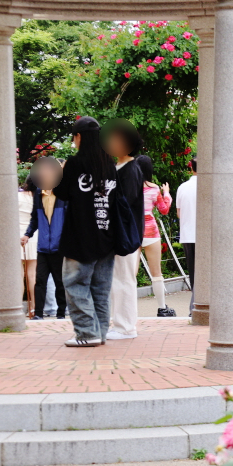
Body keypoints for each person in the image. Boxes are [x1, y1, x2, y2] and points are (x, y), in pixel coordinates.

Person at [53, 116, 118, 347]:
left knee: (75, 285)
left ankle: (86, 333)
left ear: (78, 136)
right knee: (100, 289)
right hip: (106, 235)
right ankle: (99, 333)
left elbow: (61, 193)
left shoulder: (75, 163)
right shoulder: (109, 163)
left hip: (80, 236)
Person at [104, 121, 144, 340]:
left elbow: (124, 204)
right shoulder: (118, 167)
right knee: (117, 279)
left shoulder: (131, 168)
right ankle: (119, 324)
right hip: (119, 232)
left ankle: (126, 327)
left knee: (124, 279)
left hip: (126, 234)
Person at [22, 158, 68, 320]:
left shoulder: (64, 195)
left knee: (59, 282)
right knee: (40, 281)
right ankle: (39, 314)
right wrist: (27, 234)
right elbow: (35, 218)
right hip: (42, 246)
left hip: (59, 246)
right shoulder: (38, 195)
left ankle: (61, 313)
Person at [135, 154, 175, 317]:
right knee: (156, 272)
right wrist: (167, 194)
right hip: (151, 231)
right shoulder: (154, 188)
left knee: (131, 273)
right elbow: (164, 209)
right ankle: (162, 307)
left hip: (133, 231)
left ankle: (131, 310)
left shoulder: (128, 186)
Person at [176, 157, 198, 314]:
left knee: (193, 274)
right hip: (206, 237)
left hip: (188, 234)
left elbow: (179, 213)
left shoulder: (183, 187)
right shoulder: (210, 186)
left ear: (192, 169)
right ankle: (195, 307)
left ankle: (195, 306)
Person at [17, 176, 38, 318]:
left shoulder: (17, 196)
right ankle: (33, 308)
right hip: (33, 236)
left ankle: (17, 307)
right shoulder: (39, 198)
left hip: (17, 236)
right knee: (32, 274)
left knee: (18, 275)